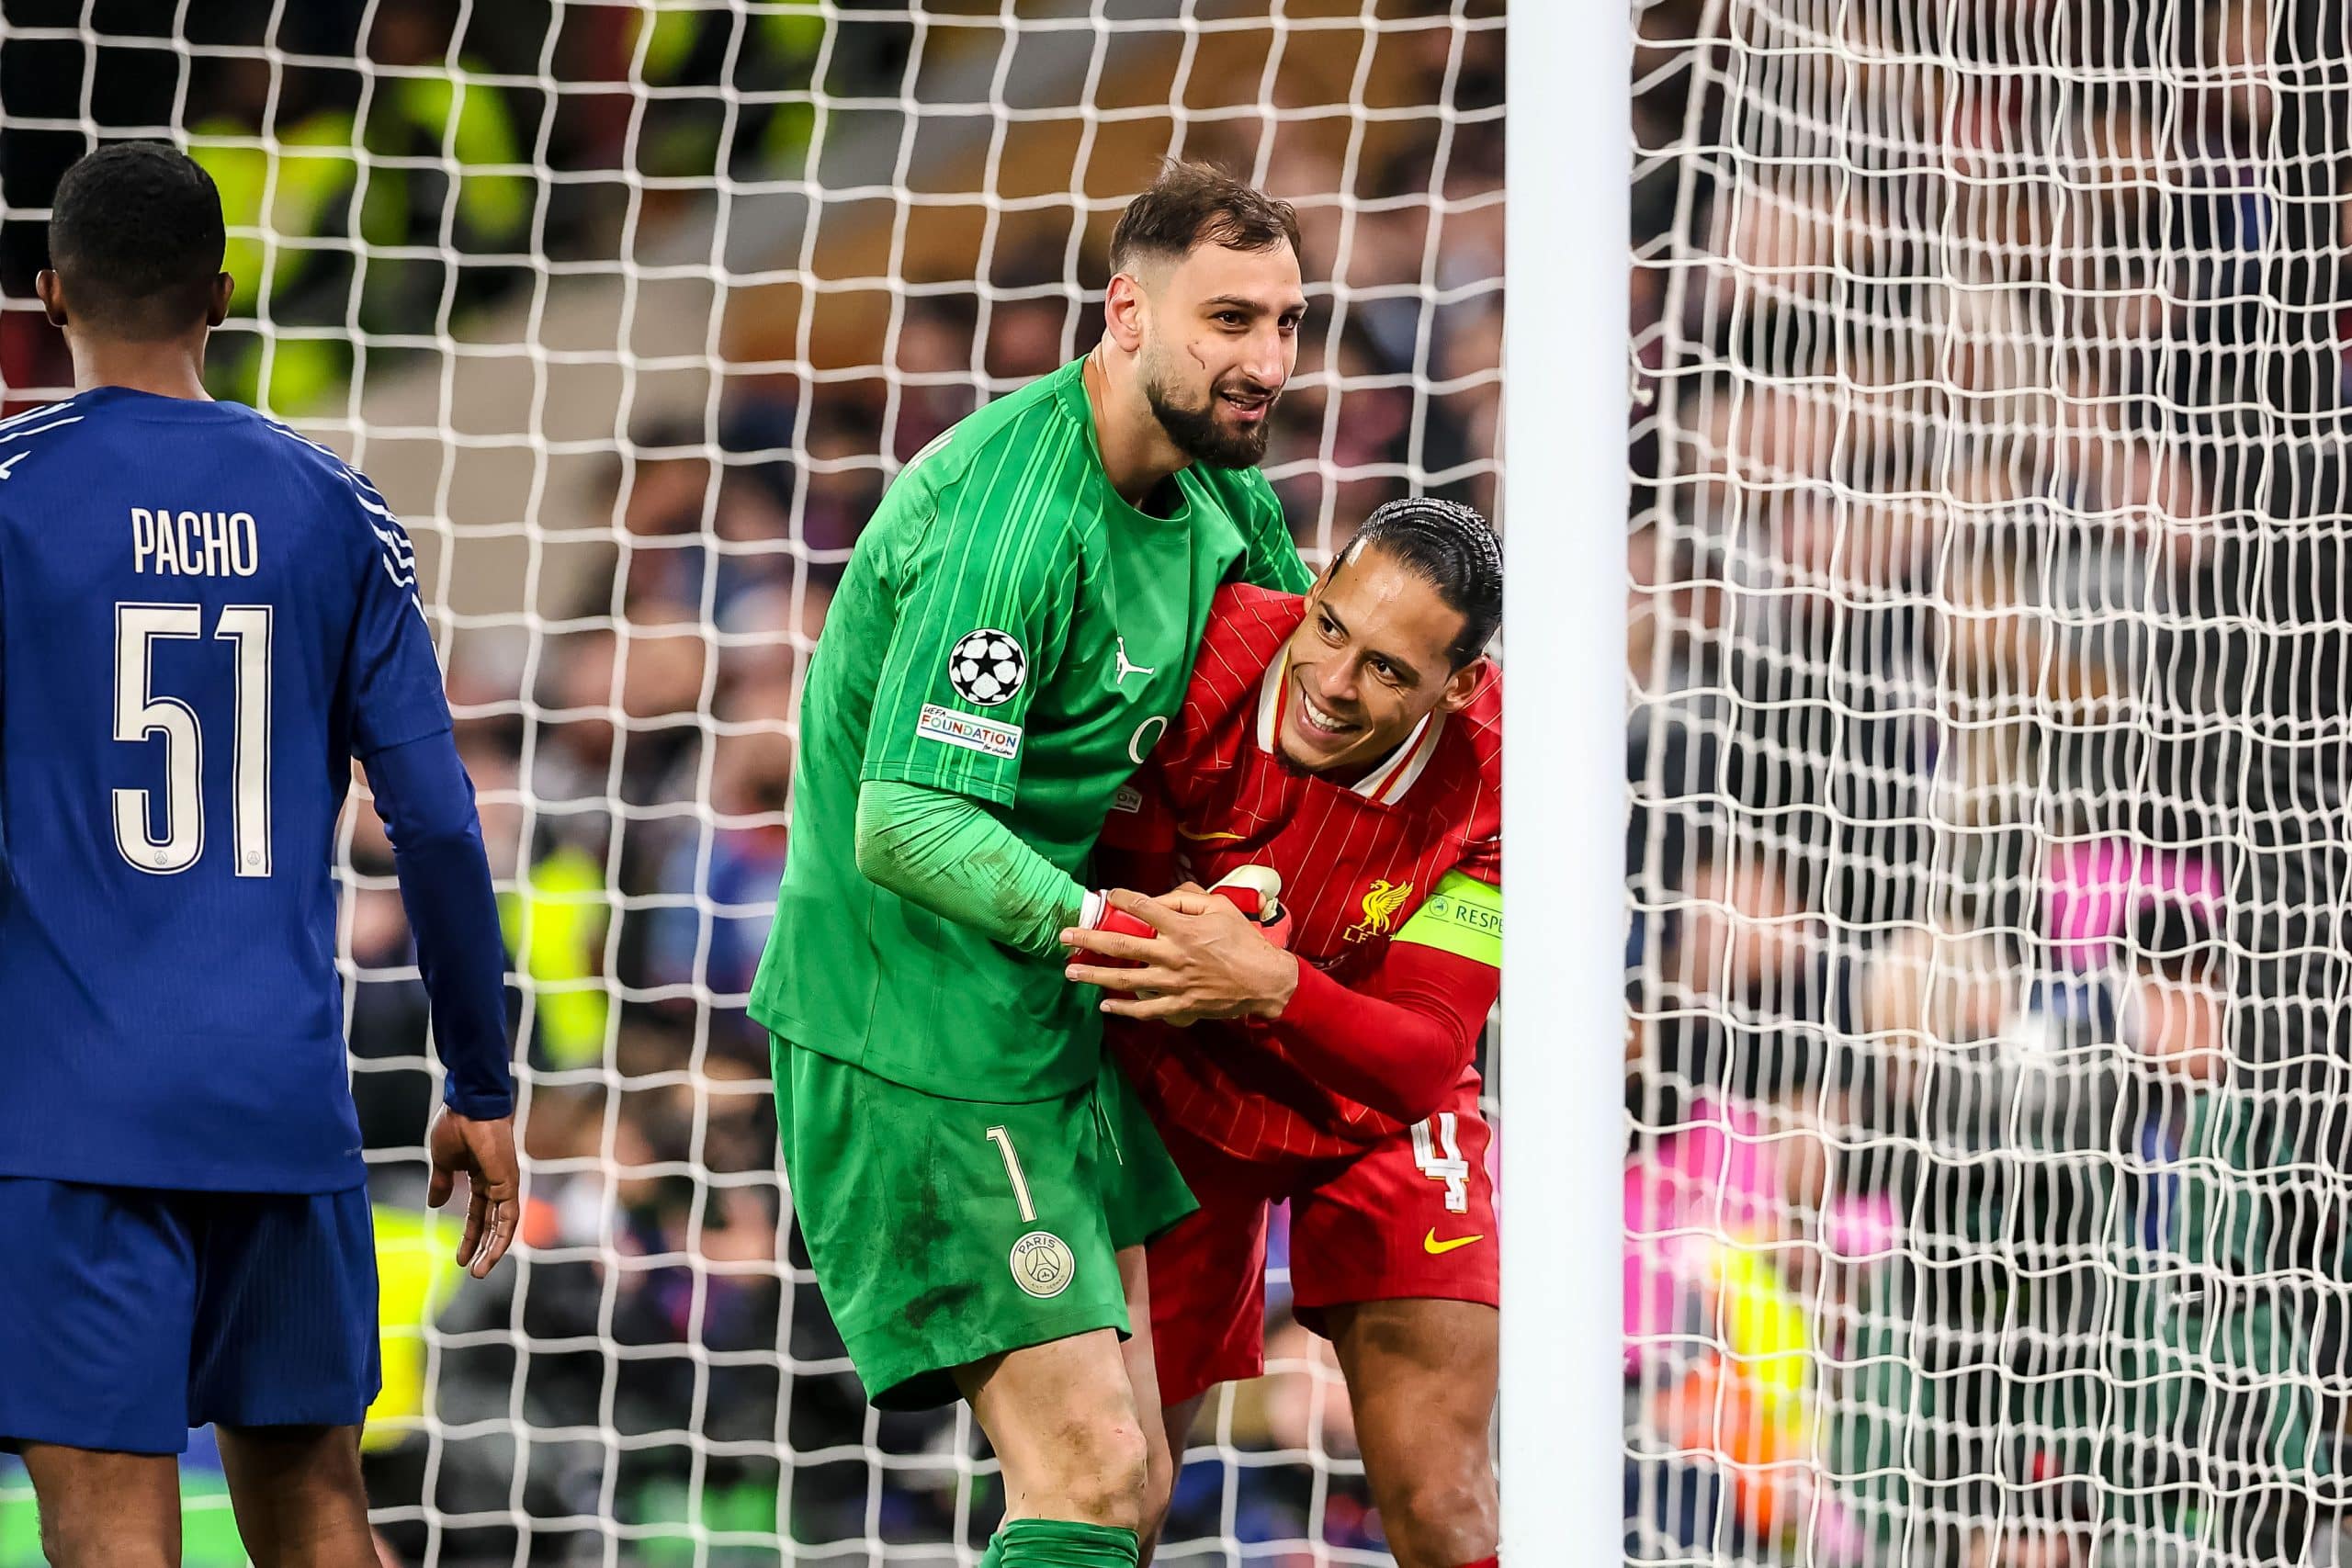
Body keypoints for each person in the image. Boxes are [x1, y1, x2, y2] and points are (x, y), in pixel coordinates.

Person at [745, 159, 1316, 1568]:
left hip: (1049, 1014)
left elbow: (1287, 741)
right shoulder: (1010, 519)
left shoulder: (1228, 499)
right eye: (1228, 319)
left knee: (1132, 1480)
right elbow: (908, 820)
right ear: (1126, 311)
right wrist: (1124, 931)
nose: (1267, 361)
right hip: (911, 1023)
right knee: (1088, 1467)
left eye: (1289, 323)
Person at [0, 142, 518, 1568]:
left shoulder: (8, 493)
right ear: (222, 296)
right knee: (317, 1516)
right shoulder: (334, 506)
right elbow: (435, 820)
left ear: (52, 295)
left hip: (70, 1120)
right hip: (282, 1114)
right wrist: (481, 1080)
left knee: (111, 1531)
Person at [1062, 498, 1504, 1568]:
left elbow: (1422, 1054)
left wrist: (1271, 984)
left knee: (1441, 1501)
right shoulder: (1195, 668)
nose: (1336, 681)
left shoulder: (1494, 781)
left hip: (1369, 1100)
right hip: (1174, 1091)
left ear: (1460, 685)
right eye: (1333, 628)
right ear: (1312, 594)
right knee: (1123, 1486)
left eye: (1392, 671)